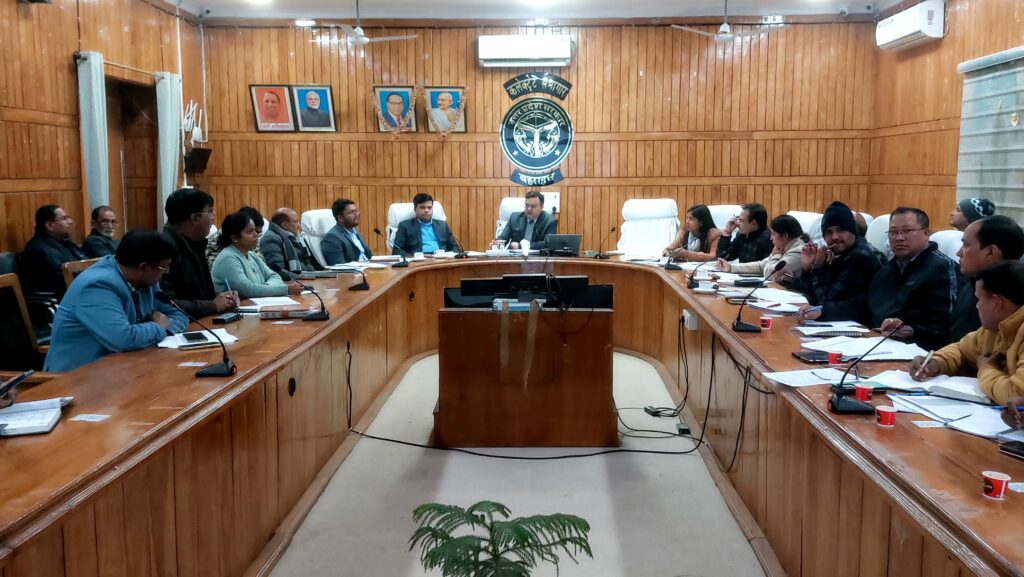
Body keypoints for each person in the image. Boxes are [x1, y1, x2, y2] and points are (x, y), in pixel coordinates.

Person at [43, 230, 189, 372]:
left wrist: (164, 329)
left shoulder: (146, 279)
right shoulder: (97, 286)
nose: (167, 271)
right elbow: (123, 339)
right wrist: (157, 328)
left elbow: (179, 315)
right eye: (164, 266)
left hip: (126, 366)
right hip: (78, 377)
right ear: (143, 267)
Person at [910, 261, 1024, 405]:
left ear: (996, 302)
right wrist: (937, 362)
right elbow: (962, 350)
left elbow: (1017, 395)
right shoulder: (996, 327)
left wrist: (986, 369)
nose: (977, 306)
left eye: (979, 299)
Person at [868, 207, 960, 351]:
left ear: (926, 234)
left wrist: (912, 331)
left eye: (907, 231)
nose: (899, 238)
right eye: (893, 232)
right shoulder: (886, 271)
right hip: (878, 343)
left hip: (921, 352)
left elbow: (944, 327)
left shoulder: (943, 269)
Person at [796, 201, 884, 322]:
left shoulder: (860, 257)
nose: (835, 237)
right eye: (829, 232)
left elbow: (825, 303)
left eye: (840, 230)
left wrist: (818, 268)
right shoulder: (841, 255)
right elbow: (814, 302)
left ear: (853, 231)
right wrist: (807, 269)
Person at [160, 188, 237, 319]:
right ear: (195, 218)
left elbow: (197, 293)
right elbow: (166, 303)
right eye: (210, 212)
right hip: (180, 326)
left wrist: (222, 298)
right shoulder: (163, 248)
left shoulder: (196, 242)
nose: (213, 217)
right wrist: (212, 305)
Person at [947, 216, 1024, 343]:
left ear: (990, 252)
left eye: (966, 245)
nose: (958, 253)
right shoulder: (971, 283)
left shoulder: (1013, 301)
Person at [211, 212, 303, 299]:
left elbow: (275, 276)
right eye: (249, 232)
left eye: (255, 230)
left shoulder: (252, 255)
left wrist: (264, 289)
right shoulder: (228, 258)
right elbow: (247, 289)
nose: (256, 235)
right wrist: (285, 289)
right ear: (235, 237)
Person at [19, 205, 87, 299]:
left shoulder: (65, 242)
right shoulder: (41, 250)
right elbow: (62, 281)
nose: (70, 221)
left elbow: (86, 263)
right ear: (49, 226)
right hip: (63, 299)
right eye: (65, 218)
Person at [718, 214, 808, 283]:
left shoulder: (798, 251)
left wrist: (775, 256)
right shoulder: (784, 247)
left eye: (773, 234)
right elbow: (762, 265)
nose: (771, 238)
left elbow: (770, 273)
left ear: (785, 236)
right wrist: (731, 267)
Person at [261, 207, 318, 280]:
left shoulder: (295, 238)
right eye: (296, 222)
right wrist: (302, 277)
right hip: (291, 282)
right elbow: (277, 270)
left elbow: (308, 263)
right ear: (284, 225)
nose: (299, 225)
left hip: (303, 278)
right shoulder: (271, 239)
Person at [392, 193, 458, 256]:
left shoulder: (442, 225)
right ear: (415, 209)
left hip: (442, 259)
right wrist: (413, 258)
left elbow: (455, 247)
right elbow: (396, 250)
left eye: (429, 207)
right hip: (419, 260)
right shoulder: (405, 226)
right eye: (422, 207)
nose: (426, 210)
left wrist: (451, 256)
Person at [492, 191, 557, 250]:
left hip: (538, 258)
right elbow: (503, 238)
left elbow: (548, 244)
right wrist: (497, 243)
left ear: (541, 207)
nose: (529, 209)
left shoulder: (549, 221)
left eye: (533, 206)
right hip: (515, 258)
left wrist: (522, 246)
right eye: (526, 205)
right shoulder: (514, 218)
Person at [322, 199, 373, 265]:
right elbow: (339, 266)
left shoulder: (355, 231)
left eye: (356, 211)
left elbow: (368, 255)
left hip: (369, 266)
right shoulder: (332, 238)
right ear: (340, 218)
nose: (356, 215)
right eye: (351, 212)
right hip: (356, 270)